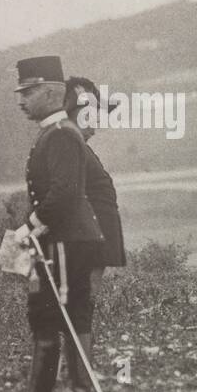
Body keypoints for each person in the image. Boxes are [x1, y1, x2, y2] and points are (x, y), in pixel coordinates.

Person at [0, 55, 104, 392]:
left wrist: (30, 228)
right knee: (55, 315)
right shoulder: (55, 132)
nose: (21, 99)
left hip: (64, 241)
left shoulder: (60, 134)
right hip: (62, 239)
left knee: (60, 316)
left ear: (51, 92)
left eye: (28, 91)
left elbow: (64, 194)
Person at [65, 77, 126, 293]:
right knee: (83, 294)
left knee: (88, 290)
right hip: (88, 234)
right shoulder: (68, 145)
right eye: (88, 117)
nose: (94, 127)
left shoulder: (77, 145)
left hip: (96, 233)